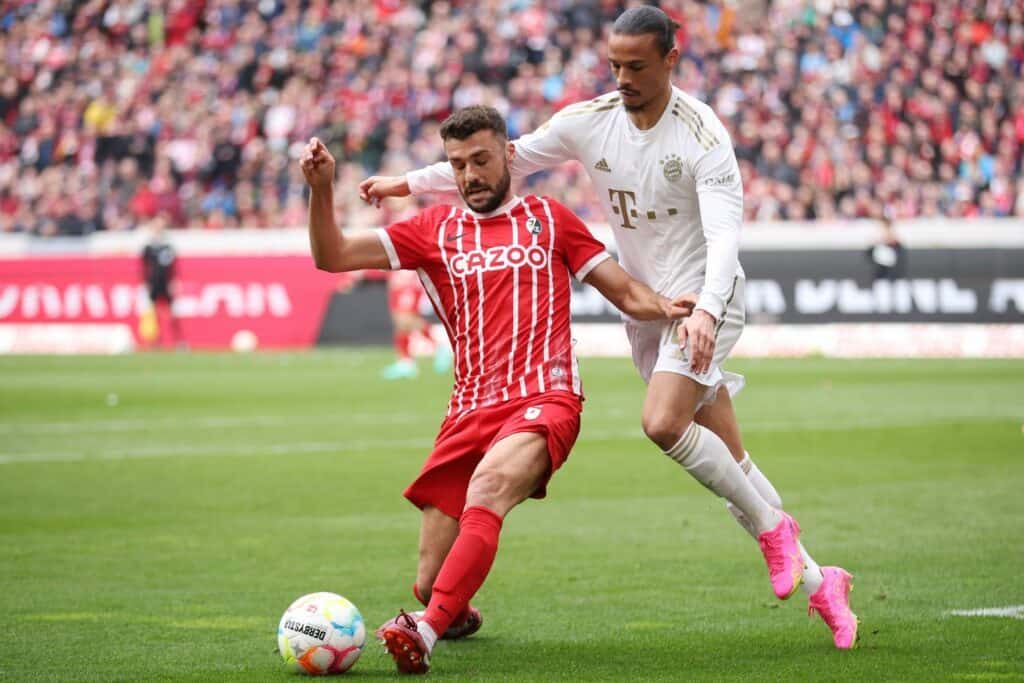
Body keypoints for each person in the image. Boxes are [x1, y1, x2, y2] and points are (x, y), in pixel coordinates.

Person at [358, 6, 858, 649]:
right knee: (727, 459)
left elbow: (725, 236)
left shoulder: (703, 135)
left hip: (704, 298)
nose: (622, 77)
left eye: (637, 66)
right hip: (650, 306)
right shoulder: (590, 122)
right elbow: (510, 158)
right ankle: (821, 580)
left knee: (661, 422)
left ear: (670, 61)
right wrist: (409, 182)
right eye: (615, 64)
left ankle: (773, 532)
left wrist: (707, 311)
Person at [302, 105, 708, 674]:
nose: (470, 175)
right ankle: (448, 611)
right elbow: (332, 256)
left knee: (489, 488)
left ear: (509, 156)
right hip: (468, 410)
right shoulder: (433, 229)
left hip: (546, 397)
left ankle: (424, 632)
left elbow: (624, 290)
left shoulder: (551, 218)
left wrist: (670, 307)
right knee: (431, 581)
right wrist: (320, 190)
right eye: (458, 164)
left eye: (481, 160)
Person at [381, 268, 453, 380]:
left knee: (406, 318)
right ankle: (406, 363)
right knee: (400, 323)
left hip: (410, 280)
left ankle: (440, 347)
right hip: (398, 280)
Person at [140, 214, 184, 349]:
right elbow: (144, 268)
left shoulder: (168, 247)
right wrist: (145, 284)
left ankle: (178, 341)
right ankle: (155, 341)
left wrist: (173, 282)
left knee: (171, 313)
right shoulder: (148, 248)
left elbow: (173, 268)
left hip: (166, 283)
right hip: (153, 284)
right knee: (152, 314)